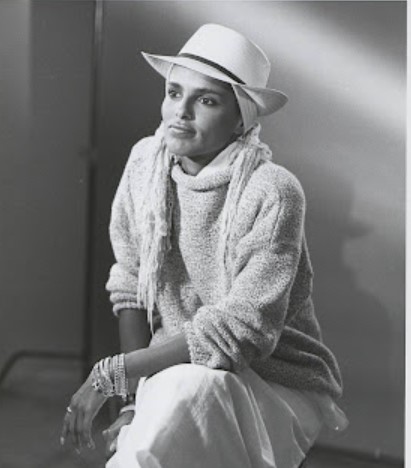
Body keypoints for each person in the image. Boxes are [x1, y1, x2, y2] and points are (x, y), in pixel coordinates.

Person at [61, 24, 348, 468]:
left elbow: (242, 330)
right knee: (171, 416)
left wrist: (114, 371)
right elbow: (131, 284)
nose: (181, 112)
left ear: (242, 119)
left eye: (207, 100)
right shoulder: (145, 164)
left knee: (192, 396)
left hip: (272, 375)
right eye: (174, 92)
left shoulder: (273, 191)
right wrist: (133, 402)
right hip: (171, 369)